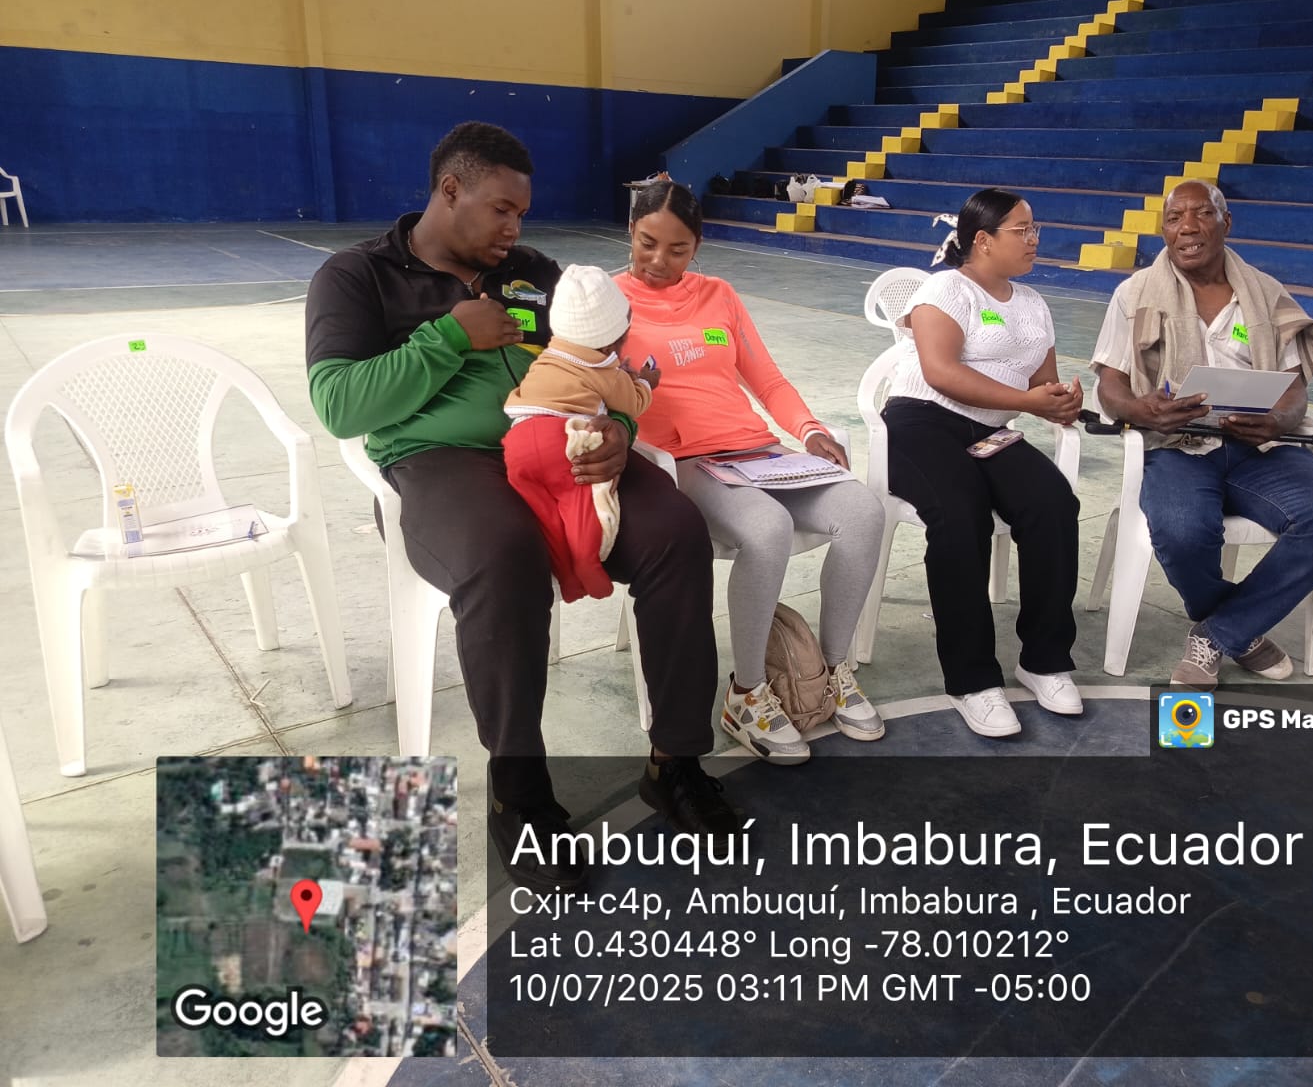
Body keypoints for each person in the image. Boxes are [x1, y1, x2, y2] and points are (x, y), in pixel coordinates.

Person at [304, 122, 740, 895]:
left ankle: (674, 761)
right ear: (450, 191)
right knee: (504, 556)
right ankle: (522, 796)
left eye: (521, 214)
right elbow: (339, 405)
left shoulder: (537, 274)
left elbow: (608, 364)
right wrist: (446, 338)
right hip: (442, 463)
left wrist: (619, 427)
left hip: (565, 447)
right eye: (500, 210)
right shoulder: (358, 276)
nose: (514, 229)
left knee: (676, 529)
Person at [615, 182, 887, 764]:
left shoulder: (720, 296)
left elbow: (766, 379)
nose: (659, 260)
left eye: (677, 249)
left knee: (863, 510)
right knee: (767, 528)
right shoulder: (611, 302)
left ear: (697, 247)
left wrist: (810, 431)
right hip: (685, 461)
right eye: (647, 243)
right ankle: (747, 694)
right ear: (630, 232)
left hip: (758, 451)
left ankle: (829, 672)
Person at [1091, 179, 1313, 687]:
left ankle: (1218, 634)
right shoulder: (1135, 294)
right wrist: (1143, 411)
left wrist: (1279, 420)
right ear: (1163, 230)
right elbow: (1110, 385)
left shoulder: (1264, 294)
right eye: (1174, 218)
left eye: (1201, 214)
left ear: (1226, 222)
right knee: (1182, 530)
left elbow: (1293, 389)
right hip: (1176, 445)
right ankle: (1241, 629)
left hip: (1257, 447)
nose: (1187, 228)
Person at [880, 187, 1084, 738]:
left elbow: (1043, 382)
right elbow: (941, 372)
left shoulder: (1034, 304)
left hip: (990, 430)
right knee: (959, 514)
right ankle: (972, 680)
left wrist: (1062, 401)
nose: (1034, 239)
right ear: (983, 240)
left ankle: (1044, 660)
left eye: (1035, 228)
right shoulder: (945, 289)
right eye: (1022, 230)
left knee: (1053, 503)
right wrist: (1027, 402)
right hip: (921, 422)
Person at [502, 264, 659, 604]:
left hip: (517, 441)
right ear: (615, 339)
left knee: (545, 513)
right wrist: (646, 382)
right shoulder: (603, 367)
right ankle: (586, 563)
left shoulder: (549, 356)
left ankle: (567, 577)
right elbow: (632, 404)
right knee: (580, 501)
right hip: (559, 438)